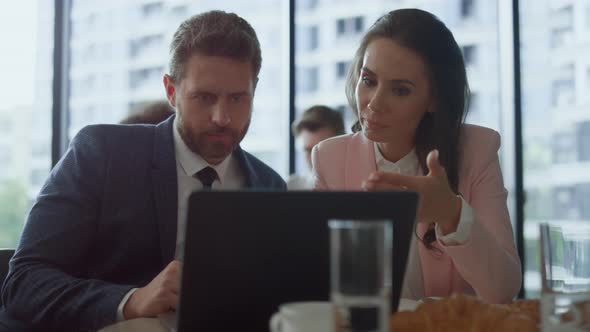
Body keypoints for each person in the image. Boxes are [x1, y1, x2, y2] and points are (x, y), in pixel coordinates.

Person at [0, 10, 286, 332]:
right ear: (171, 91)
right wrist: (131, 300)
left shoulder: (269, 185)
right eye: (204, 97)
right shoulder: (102, 153)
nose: (222, 117)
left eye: (237, 98)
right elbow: (23, 283)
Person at [311, 9, 521, 304]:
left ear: (434, 99)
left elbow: (503, 290)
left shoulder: (477, 150)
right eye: (369, 81)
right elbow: (316, 282)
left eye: (400, 90)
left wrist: (451, 214)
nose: (374, 104)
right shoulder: (330, 158)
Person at [288, 105, 345, 189]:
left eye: (322, 150)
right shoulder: (289, 187)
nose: (314, 158)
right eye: (308, 151)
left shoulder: (362, 184)